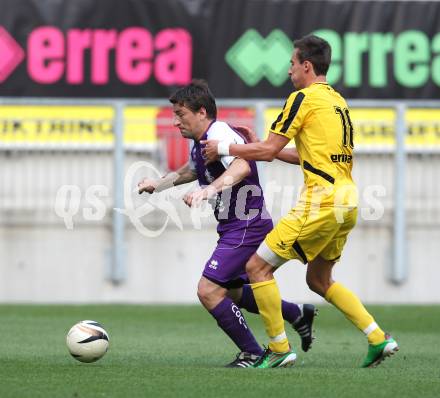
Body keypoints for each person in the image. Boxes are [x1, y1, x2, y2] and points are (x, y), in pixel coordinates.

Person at [202, 35, 399, 369]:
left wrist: (225, 149)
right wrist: (265, 148)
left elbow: (266, 151)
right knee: (318, 280)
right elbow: (304, 155)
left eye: (292, 63)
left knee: (256, 267)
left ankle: (279, 349)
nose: (289, 70)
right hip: (348, 199)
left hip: (321, 201)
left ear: (307, 66)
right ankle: (378, 337)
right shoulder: (337, 102)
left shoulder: (302, 98)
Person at [138, 80, 316, 368]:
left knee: (208, 290)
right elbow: (190, 170)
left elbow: (243, 165)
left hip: (247, 225)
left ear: (202, 112)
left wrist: (208, 191)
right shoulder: (201, 144)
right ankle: (296, 314)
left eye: (181, 114)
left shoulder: (219, 132)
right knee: (234, 292)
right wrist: (157, 185)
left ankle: (253, 352)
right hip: (238, 227)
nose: (175, 122)